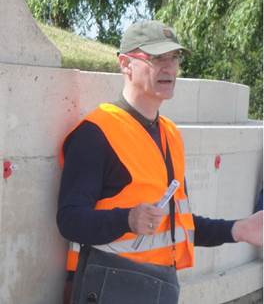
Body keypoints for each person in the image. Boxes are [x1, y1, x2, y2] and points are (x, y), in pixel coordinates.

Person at [57, 20, 263, 304]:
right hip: (110, 288)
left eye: (174, 58)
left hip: (159, 288)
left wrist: (237, 229)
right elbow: (70, 221)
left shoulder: (170, 135)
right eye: (157, 58)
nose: (169, 68)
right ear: (125, 63)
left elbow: (177, 224)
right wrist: (127, 219)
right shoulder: (95, 133)